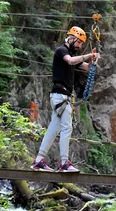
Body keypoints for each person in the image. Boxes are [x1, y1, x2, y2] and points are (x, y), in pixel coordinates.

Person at [30, 26, 100, 172]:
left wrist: (93, 60)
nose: (79, 46)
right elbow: (70, 61)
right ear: (72, 39)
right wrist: (87, 55)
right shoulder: (62, 51)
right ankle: (64, 163)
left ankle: (39, 160)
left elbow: (86, 67)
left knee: (54, 128)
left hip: (62, 96)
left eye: (81, 43)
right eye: (79, 43)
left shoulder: (71, 54)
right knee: (67, 127)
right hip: (60, 95)